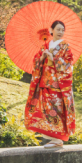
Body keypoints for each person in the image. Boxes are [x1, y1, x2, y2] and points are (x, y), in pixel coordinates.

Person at [25, 20, 76, 148]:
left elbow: (68, 64)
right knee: (46, 110)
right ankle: (53, 138)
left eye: (62, 30)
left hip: (58, 85)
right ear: (51, 30)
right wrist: (42, 57)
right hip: (45, 82)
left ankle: (58, 139)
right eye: (58, 29)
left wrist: (53, 58)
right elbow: (36, 62)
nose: (60, 32)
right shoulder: (45, 45)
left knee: (56, 110)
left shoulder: (65, 46)